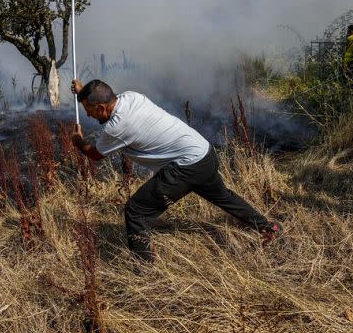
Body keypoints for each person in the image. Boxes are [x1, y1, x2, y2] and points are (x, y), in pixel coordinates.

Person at [70, 79, 280, 262]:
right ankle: (267, 227)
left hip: (186, 166)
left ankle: (142, 271)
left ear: (101, 108)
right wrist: (82, 92)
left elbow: (96, 155)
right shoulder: (131, 96)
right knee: (223, 196)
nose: (88, 116)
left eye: (89, 111)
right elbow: (101, 93)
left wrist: (78, 141)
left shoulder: (116, 127)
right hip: (203, 152)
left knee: (136, 211)